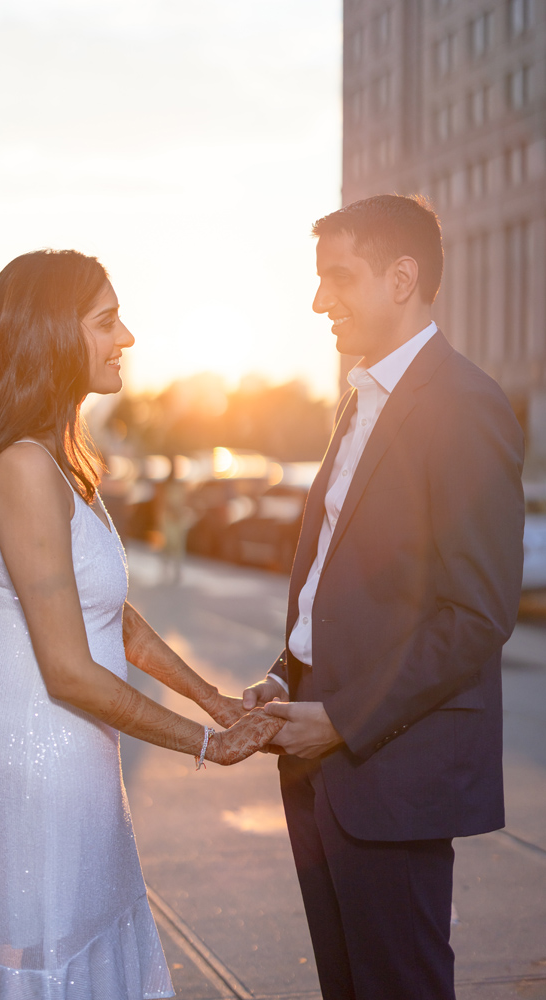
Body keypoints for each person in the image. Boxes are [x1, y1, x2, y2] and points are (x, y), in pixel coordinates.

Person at [0, 249, 283, 1000]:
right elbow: (70, 670)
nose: (128, 338)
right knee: (47, 955)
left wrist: (209, 697)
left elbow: (117, 621)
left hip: (76, 746)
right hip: (36, 750)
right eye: (106, 321)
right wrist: (207, 744)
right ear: (53, 336)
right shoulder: (19, 468)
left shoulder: (58, 458)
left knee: (86, 937)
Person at [241, 195, 525, 1000]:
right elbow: (335, 579)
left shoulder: (465, 406)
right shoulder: (359, 398)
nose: (318, 301)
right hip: (314, 764)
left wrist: (340, 720)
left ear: (402, 279)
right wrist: (281, 677)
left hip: (392, 772)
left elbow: (475, 612)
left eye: (338, 278)